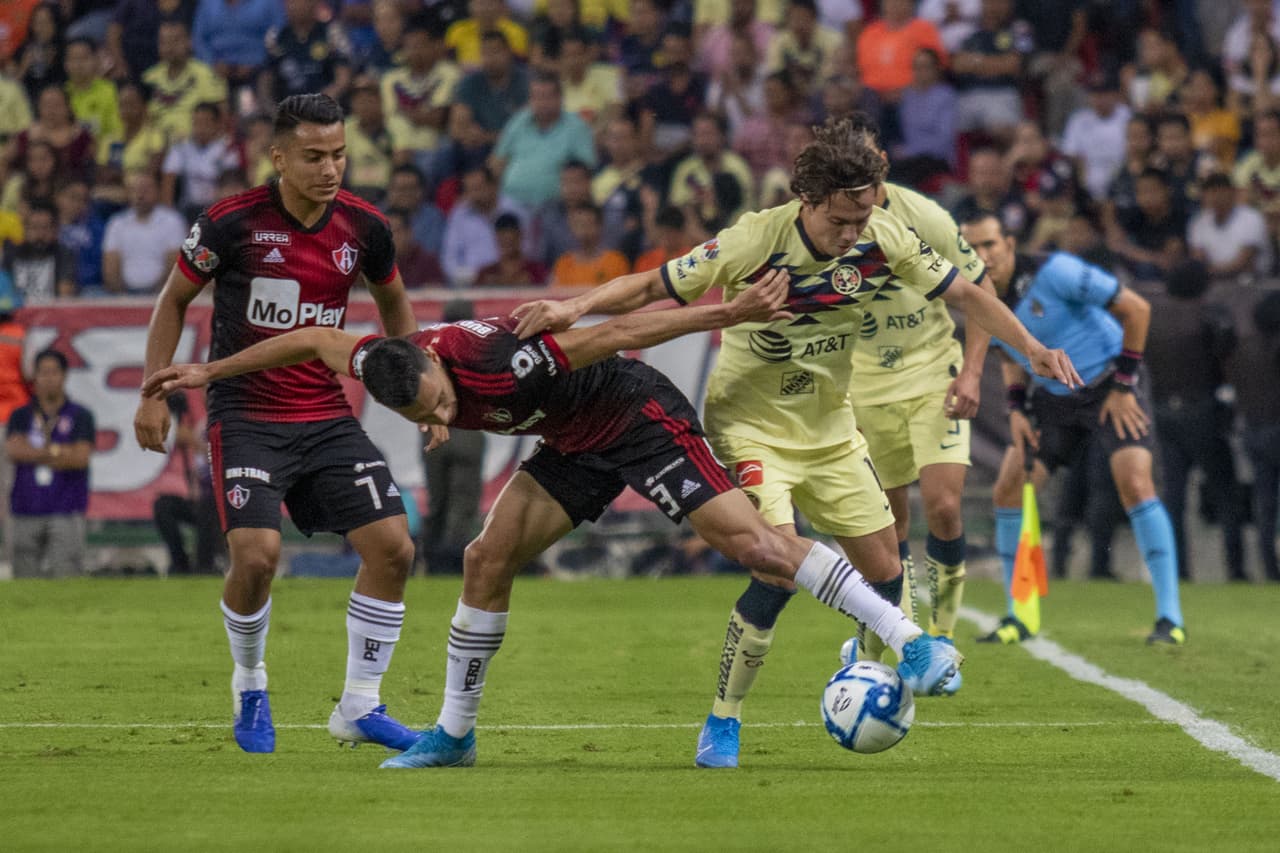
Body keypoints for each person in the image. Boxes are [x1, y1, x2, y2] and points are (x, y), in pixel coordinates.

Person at [143, 266, 967, 771]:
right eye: (426, 412)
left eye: (440, 400)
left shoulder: (504, 359)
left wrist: (729, 313)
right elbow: (308, 341)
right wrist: (209, 371)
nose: (442, 412)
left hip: (636, 417)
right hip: (571, 441)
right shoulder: (384, 360)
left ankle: (909, 639)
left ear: (434, 361)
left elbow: (623, 330)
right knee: (484, 559)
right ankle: (455, 735)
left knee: (759, 547)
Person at [511, 117, 1079, 769]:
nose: (852, 233)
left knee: (887, 571)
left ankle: (868, 668)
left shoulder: (884, 235)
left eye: (861, 217)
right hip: (753, 426)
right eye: (840, 220)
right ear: (808, 200)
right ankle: (724, 718)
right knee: (775, 566)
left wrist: (1031, 347)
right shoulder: (754, 239)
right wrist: (570, 308)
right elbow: (651, 285)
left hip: (830, 429)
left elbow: (970, 294)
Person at [131, 94, 420, 755]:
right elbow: (173, 301)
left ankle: (360, 703)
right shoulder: (230, 222)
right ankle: (251, 682)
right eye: (314, 156)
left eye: (339, 154)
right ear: (279, 158)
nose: (330, 168)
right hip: (246, 415)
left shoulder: (365, 226)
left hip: (326, 414)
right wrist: (153, 393)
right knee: (258, 558)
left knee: (394, 548)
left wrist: (417, 390)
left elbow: (395, 303)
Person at [959, 211, 1186, 646]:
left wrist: (1124, 386)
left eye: (989, 244)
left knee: (1135, 484)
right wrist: (1016, 408)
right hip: (1052, 397)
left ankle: (1170, 618)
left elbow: (1137, 310)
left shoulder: (1057, 272)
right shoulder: (977, 298)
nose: (982, 255)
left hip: (1110, 382)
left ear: (1009, 244)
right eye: (971, 247)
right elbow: (1009, 354)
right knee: (1009, 488)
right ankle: (1019, 616)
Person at [837, 114, 993, 677]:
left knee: (945, 506)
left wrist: (971, 372)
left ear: (882, 166)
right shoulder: (828, 225)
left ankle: (943, 642)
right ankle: (898, 643)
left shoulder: (924, 216)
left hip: (932, 373)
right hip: (863, 386)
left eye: (869, 166)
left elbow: (980, 288)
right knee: (889, 530)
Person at [6, 349, 95, 578]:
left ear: (64, 375)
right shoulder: (20, 416)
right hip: (26, 507)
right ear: (34, 376)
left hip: (66, 508)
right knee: (24, 579)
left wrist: (34, 452)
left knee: (66, 575)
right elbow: (14, 451)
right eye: (43, 372)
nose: (49, 378)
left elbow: (80, 458)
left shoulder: (80, 415)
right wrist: (57, 451)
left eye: (54, 372)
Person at [152, 389, 224, 575]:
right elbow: (172, 433)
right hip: (196, 495)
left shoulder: (227, 418)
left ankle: (205, 565)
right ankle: (180, 564)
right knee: (163, 506)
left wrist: (197, 443)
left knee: (210, 504)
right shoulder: (194, 417)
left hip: (221, 499)